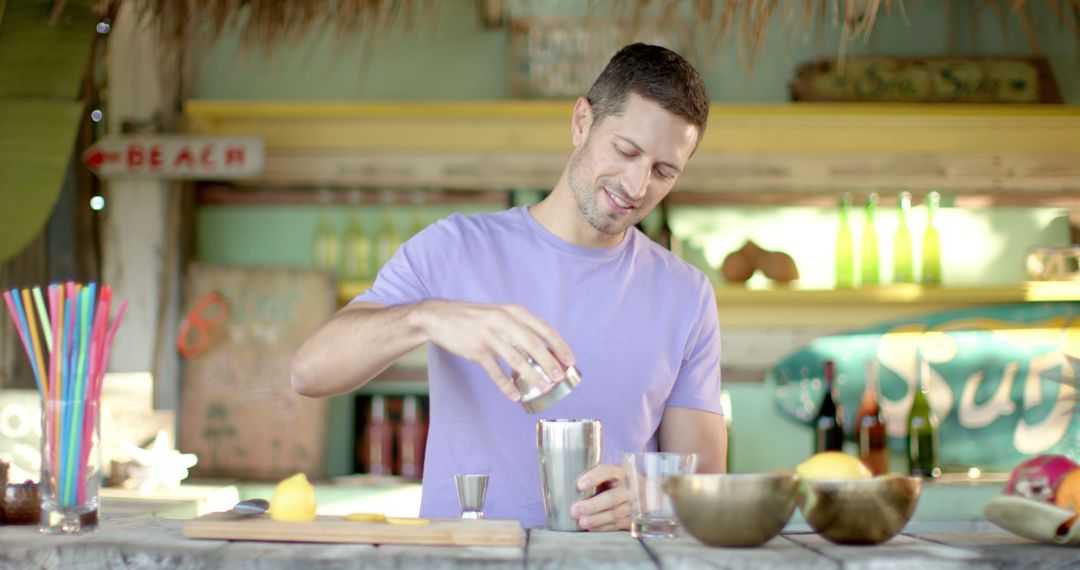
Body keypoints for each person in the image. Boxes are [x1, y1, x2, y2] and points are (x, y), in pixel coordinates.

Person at [291, 42, 727, 531]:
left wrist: (651, 497)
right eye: (626, 151)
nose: (636, 184)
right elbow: (309, 373)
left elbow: (704, 484)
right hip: (463, 562)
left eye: (664, 171)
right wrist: (429, 316)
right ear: (582, 122)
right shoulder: (454, 247)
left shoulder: (685, 293)